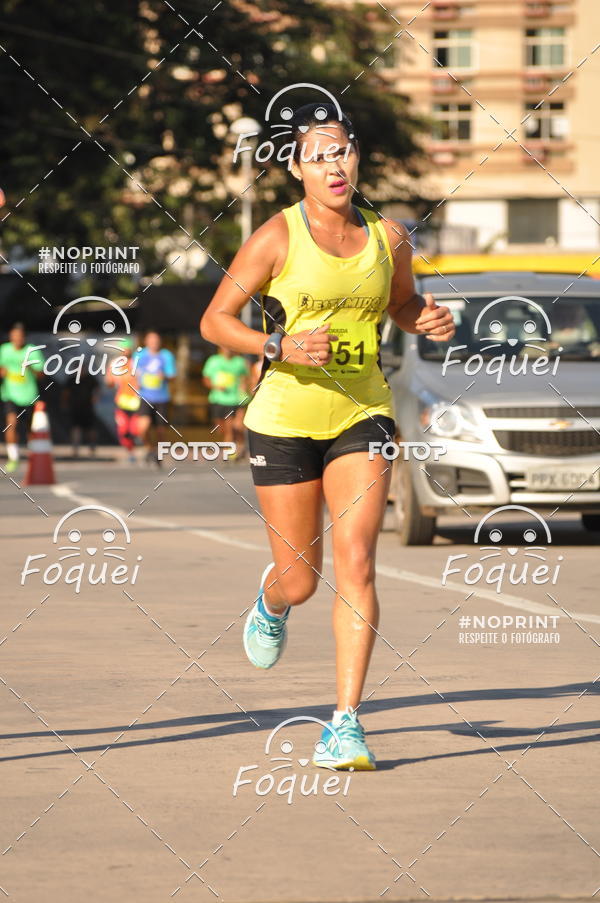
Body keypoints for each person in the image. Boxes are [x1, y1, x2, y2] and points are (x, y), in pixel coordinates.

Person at [200, 102, 455, 771]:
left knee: (359, 559)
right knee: (303, 580)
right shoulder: (275, 237)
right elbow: (215, 320)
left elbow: (400, 302)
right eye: (318, 155)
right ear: (295, 169)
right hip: (283, 419)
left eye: (342, 150)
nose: (334, 164)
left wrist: (422, 317)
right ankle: (272, 598)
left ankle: (345, 722)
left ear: (357, 158)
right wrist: (276, 343)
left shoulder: (391, 236)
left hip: (360, 413)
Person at [0, 323, 45, 472]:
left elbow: (42, 374)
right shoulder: (4, 350)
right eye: (14, 337)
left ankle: (34, 458)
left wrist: (30, 367)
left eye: (20, 337)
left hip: (29, 395)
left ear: (24, 337)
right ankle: (14, 457)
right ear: (11, 337)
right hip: (10, 395)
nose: (17, 339)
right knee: (11, 423)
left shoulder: (32, 351)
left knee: (30, 429)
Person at [133, 331, 176, 466]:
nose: (154, 343)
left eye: (156, 340)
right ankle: (149, 448)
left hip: (162, 398)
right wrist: (136, 382)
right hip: (145, 397)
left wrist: (164, 376)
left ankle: (158, 453)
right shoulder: (140, 355)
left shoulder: (166, 356)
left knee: (160, 431)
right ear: (146, 341)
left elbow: (172, 375)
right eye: (151, 340)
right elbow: (133, 373)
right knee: (142, 428)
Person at [202, 345, 250, 458]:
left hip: (235, 400)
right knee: (220, 428)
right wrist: (215, 386)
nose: (228, 349)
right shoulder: (213, 361)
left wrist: (244, 386)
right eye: (225, 347)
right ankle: (236, 446)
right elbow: (206, 379)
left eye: (229, 347)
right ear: (220, 348)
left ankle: (232, 450)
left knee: (232, 426)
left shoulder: (240, 362)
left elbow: (246, 377)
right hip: (217, 399)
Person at [105, 339, 140, 464]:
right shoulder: (115, 364)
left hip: (136, 401)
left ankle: (134, 448)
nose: (126, 351)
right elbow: (109, 381)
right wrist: (113, 380)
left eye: (128, 349)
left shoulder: (137, 363)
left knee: (135, 430)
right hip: (121, 402)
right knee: (123, 430)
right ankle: (130, 452)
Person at [63, 365, 99, 458]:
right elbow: (66, 393)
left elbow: (97, 389)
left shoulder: (90, 379)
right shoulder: (71, 380)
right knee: (75, 428)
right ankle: (75, 449)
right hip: (75, 408)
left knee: (90, 429)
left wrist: (95, 398)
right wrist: (65, 404)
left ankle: (92, 448)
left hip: (87, 408)